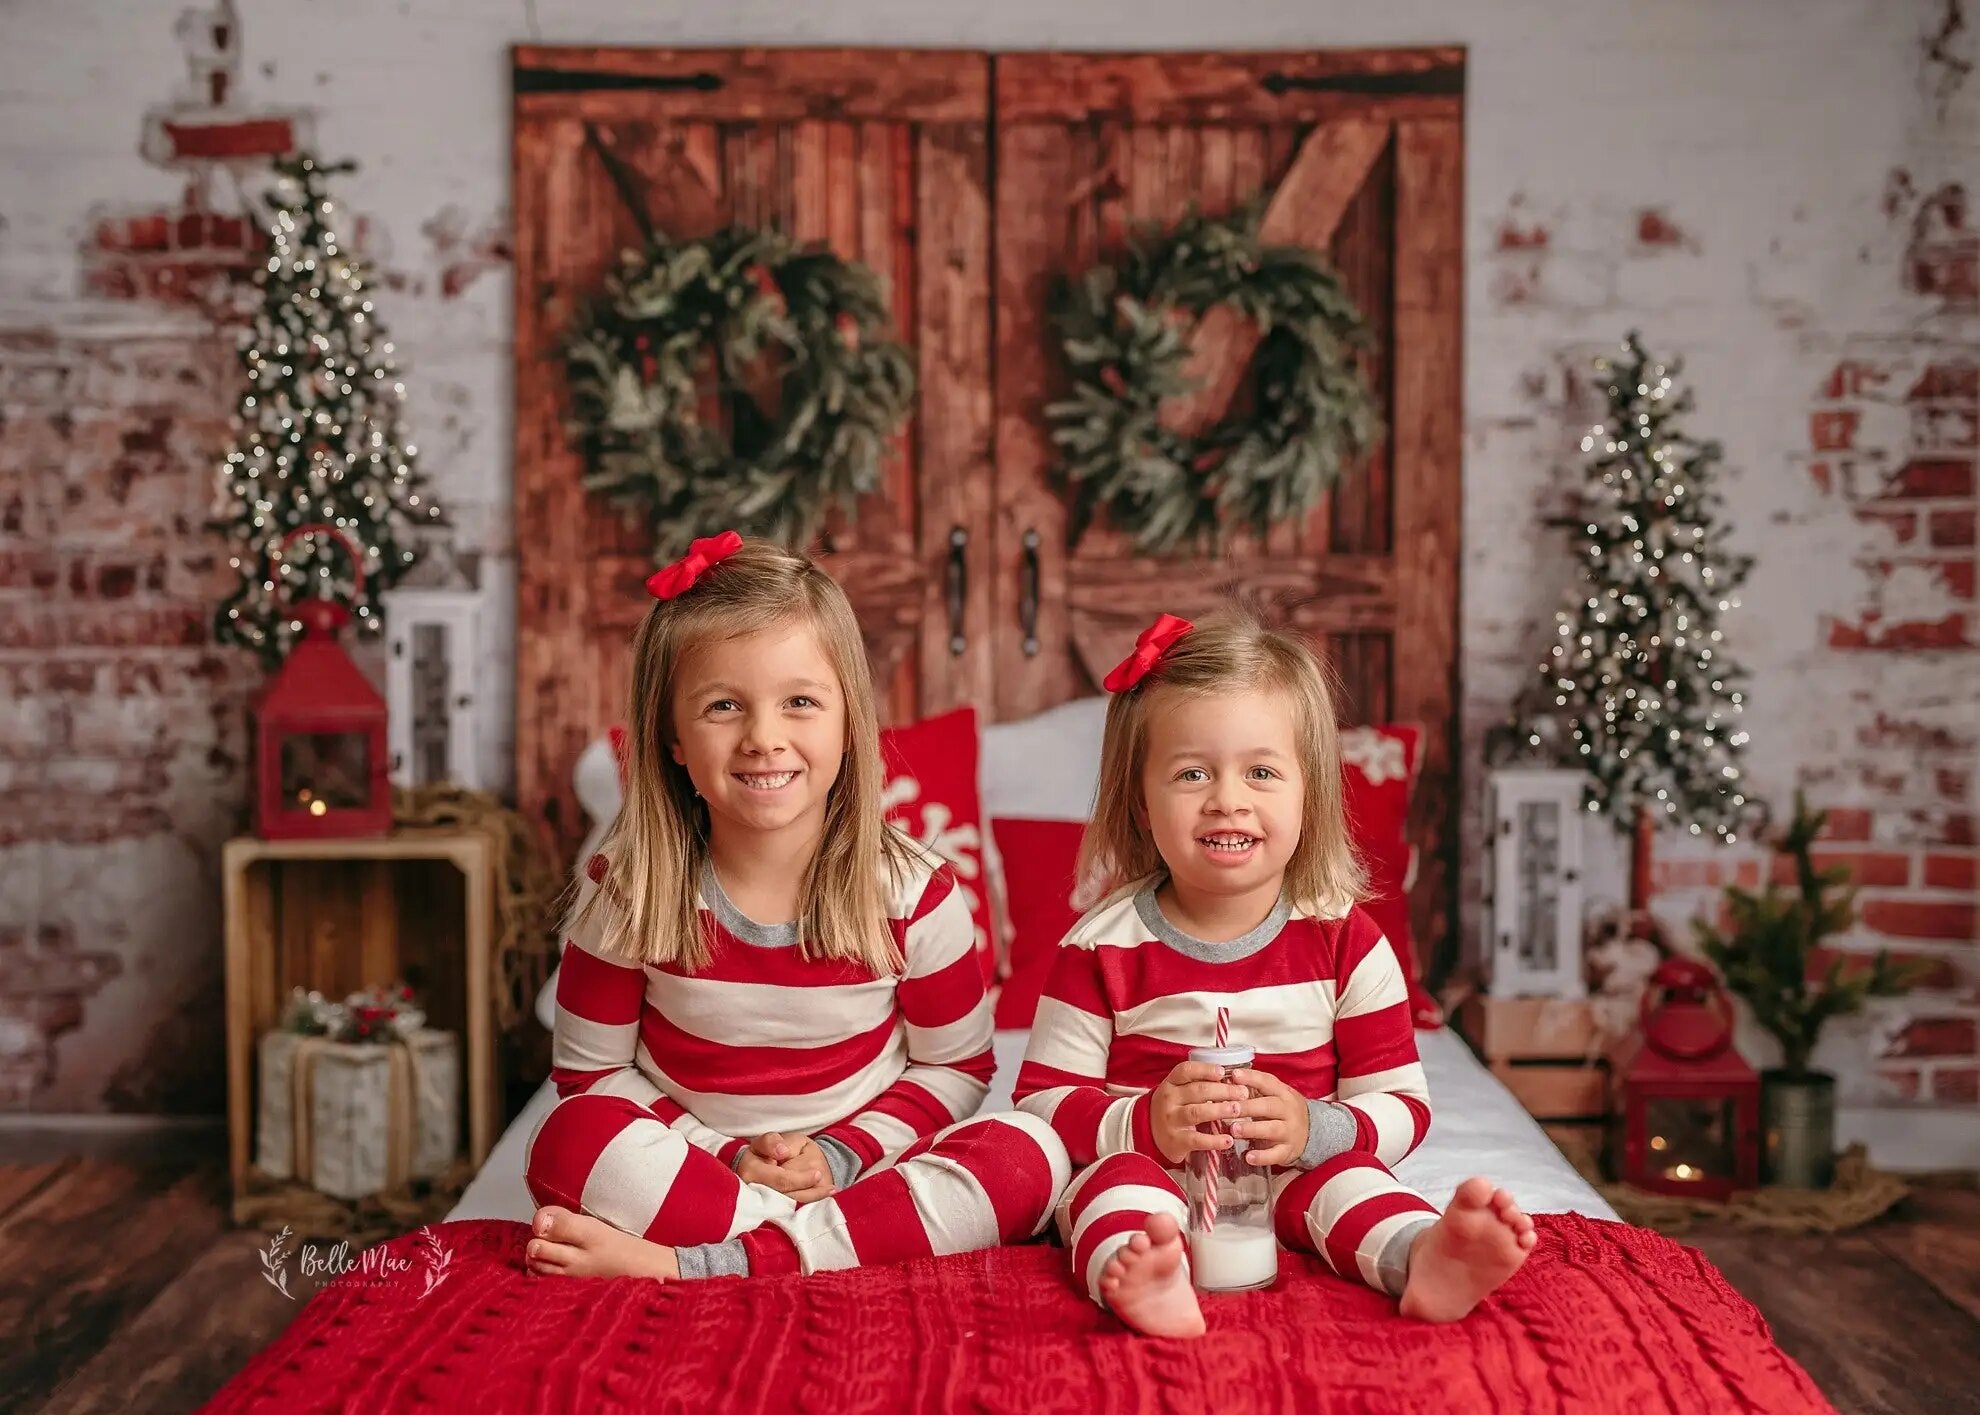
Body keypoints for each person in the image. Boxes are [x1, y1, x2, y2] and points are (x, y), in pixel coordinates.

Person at [524, 531, 1068, 1281]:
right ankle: (805, 1248)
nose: (763, 738)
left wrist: (842, 1155)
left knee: (1032, 1148)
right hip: (702, 1173)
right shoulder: (626, 890)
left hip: (861, 1174)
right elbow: (591, 1078)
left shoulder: (913, 892)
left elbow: (957, 1067)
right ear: (672, 737)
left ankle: (698, 1265)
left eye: (800, 702)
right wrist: (731, 1159)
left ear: (849, 723)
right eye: (723, 706)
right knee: (567, 1139)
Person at [1015, 609, 1536, 1336]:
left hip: (1294, 1170)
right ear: (1141, 800)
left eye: (1261, 771)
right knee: (1111, 1194)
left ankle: (1424, 1256)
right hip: (1152, 1169)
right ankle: (1144, 1278)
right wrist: (1143, 1123)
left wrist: (1312, 1127)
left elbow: (1402, 1105)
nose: (1229, 797)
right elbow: (1041, 1105)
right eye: (1192, 772)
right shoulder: (1100, 948)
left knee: (1355, 1183)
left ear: (1308, 793)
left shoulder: (1344, 941)